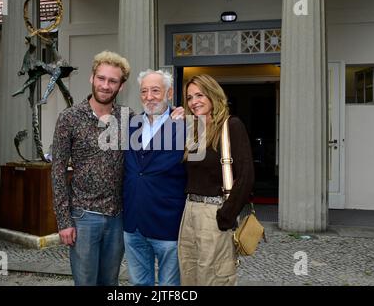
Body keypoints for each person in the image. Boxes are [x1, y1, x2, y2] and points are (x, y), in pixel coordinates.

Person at [51, 50, 131, 286]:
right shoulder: (70, 118)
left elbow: (155, 138)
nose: (106, 85)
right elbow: (57, 170)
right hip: (83, 216)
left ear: (121, 86)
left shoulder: (128, 118)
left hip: (118, 217)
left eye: (112, 81)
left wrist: (175, 117)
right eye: (101, 78)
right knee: (85, 282)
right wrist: (64, 221)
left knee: (110, 282)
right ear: (92, 78)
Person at [178, 74, 254, 286]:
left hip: (214, 213)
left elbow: (246, 176)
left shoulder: (231, 126)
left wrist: (226, 216)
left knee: (213, 278)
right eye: (190, 97)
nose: (194, 102)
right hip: (189, 212)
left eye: (200, 95)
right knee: (189, 274)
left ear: (213, 95)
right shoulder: (193, 130)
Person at [123, 69, 187, 286]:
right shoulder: (130, 125)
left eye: (156, 91)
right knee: (139, 284)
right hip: (134, 224)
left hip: (168, 223)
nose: (149, 97)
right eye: (144, 91)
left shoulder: (185, 126)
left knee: (170, 287)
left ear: (169, 94)